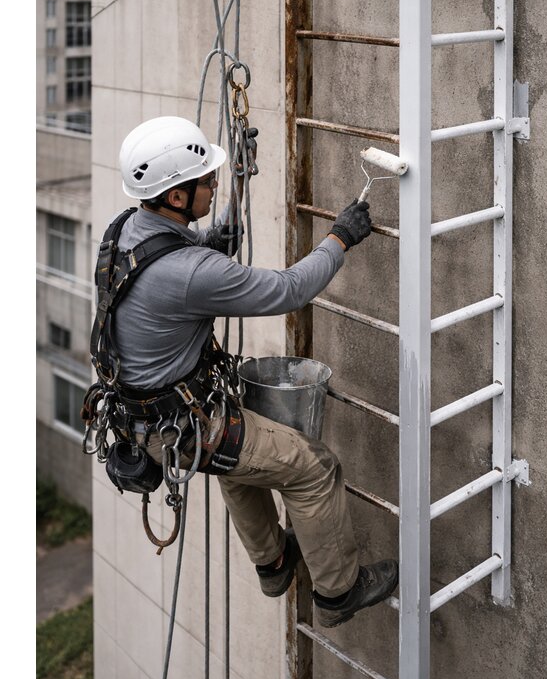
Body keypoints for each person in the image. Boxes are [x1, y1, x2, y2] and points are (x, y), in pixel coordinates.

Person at [94, 115, 398, 628]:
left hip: (147, 416)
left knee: (239, 465)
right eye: (206, 181)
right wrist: (339, 240)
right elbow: (286, 291)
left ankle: (273, 563)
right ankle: (338, 591)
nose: (214, 184)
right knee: (313, 468)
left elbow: (210, 250)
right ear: (174, 198)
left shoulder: (127, 229)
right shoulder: (187, 273)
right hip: (178, 424)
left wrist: (239, 180)